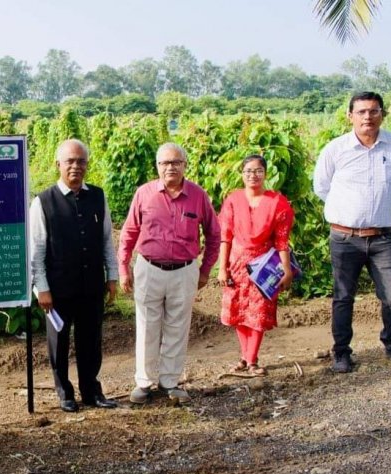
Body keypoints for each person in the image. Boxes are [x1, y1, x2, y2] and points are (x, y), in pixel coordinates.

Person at [314, 91, 391, 373]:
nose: (367, 117)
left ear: (382, 113)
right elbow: (322, 187)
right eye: (361, 112)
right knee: (343, 297)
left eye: (373, 111)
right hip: (345, 238)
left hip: (384, 237)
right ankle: (342, 353)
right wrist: (349, 213)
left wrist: (381, 210)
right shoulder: (336, 149)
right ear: (350, 116)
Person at [119, 143, 220, 404]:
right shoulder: (145, 194)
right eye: (165, 163)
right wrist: (123, 267)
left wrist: (205, 270)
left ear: (185, 165)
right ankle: (143, 382)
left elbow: (213, 234)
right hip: (149, 268)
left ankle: (170, 382)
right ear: (157, 167)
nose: (170, 167)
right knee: (147, 326)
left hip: (184, 271)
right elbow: (129, 232)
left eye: (176, 162)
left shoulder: (198, 196)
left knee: (178, 326)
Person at [30, 139, 119, 412]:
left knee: (91, 341)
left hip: (91, 284)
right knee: (59, 342)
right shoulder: (43, 202)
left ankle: (91, 390)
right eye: (70, 161)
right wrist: (41, 288)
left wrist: (111, 276)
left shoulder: (98, 196)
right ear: (58, 164)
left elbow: (106, 239)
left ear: (87, 165)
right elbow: (37, 250)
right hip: (58, 288)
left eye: (81, 161)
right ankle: (64, 393)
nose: (76, 166)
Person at [217, 155, 295, 376]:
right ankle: (246, 357)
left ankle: (251, 360)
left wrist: (286, 269)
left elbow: (282, 240)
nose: (253, 175)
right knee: (239, 311)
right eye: (248, 171)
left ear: (265, 173)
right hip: (237, 262)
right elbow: (226, 237)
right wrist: (222, 267)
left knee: (258, 311)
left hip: (264, 266)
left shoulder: (277, 202)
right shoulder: (233, 200)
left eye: (258, 170)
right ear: (242, 174)